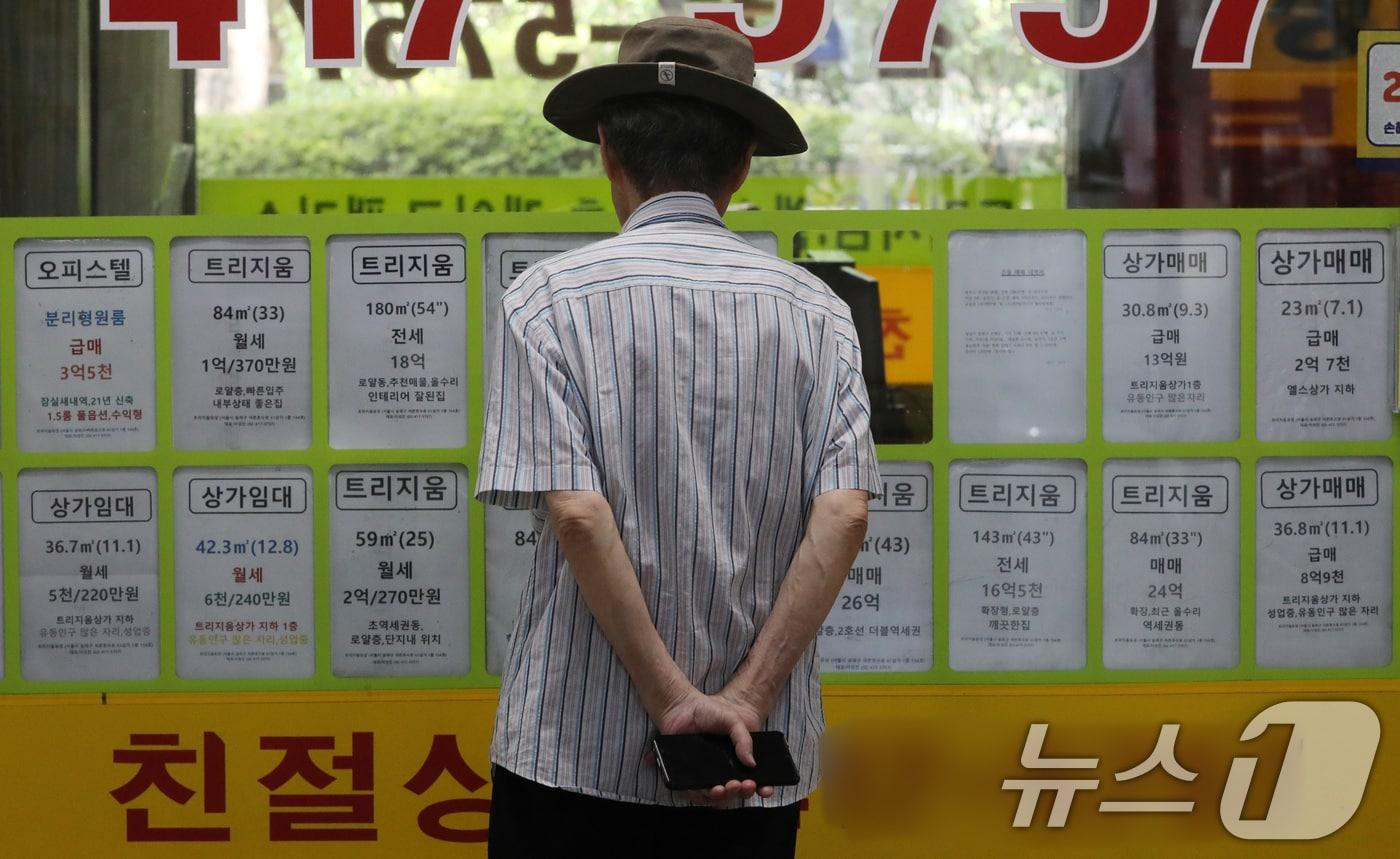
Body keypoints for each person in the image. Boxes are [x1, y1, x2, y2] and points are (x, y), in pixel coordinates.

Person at [476, 16, 879, 858]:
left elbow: (579, 517)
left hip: (572, 755)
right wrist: (741, 702)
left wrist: (672, 704)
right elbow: (844, 513)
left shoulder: (546, 299)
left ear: (607, 155)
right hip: (750, 756)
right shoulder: (819, 314)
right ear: (741, 165)